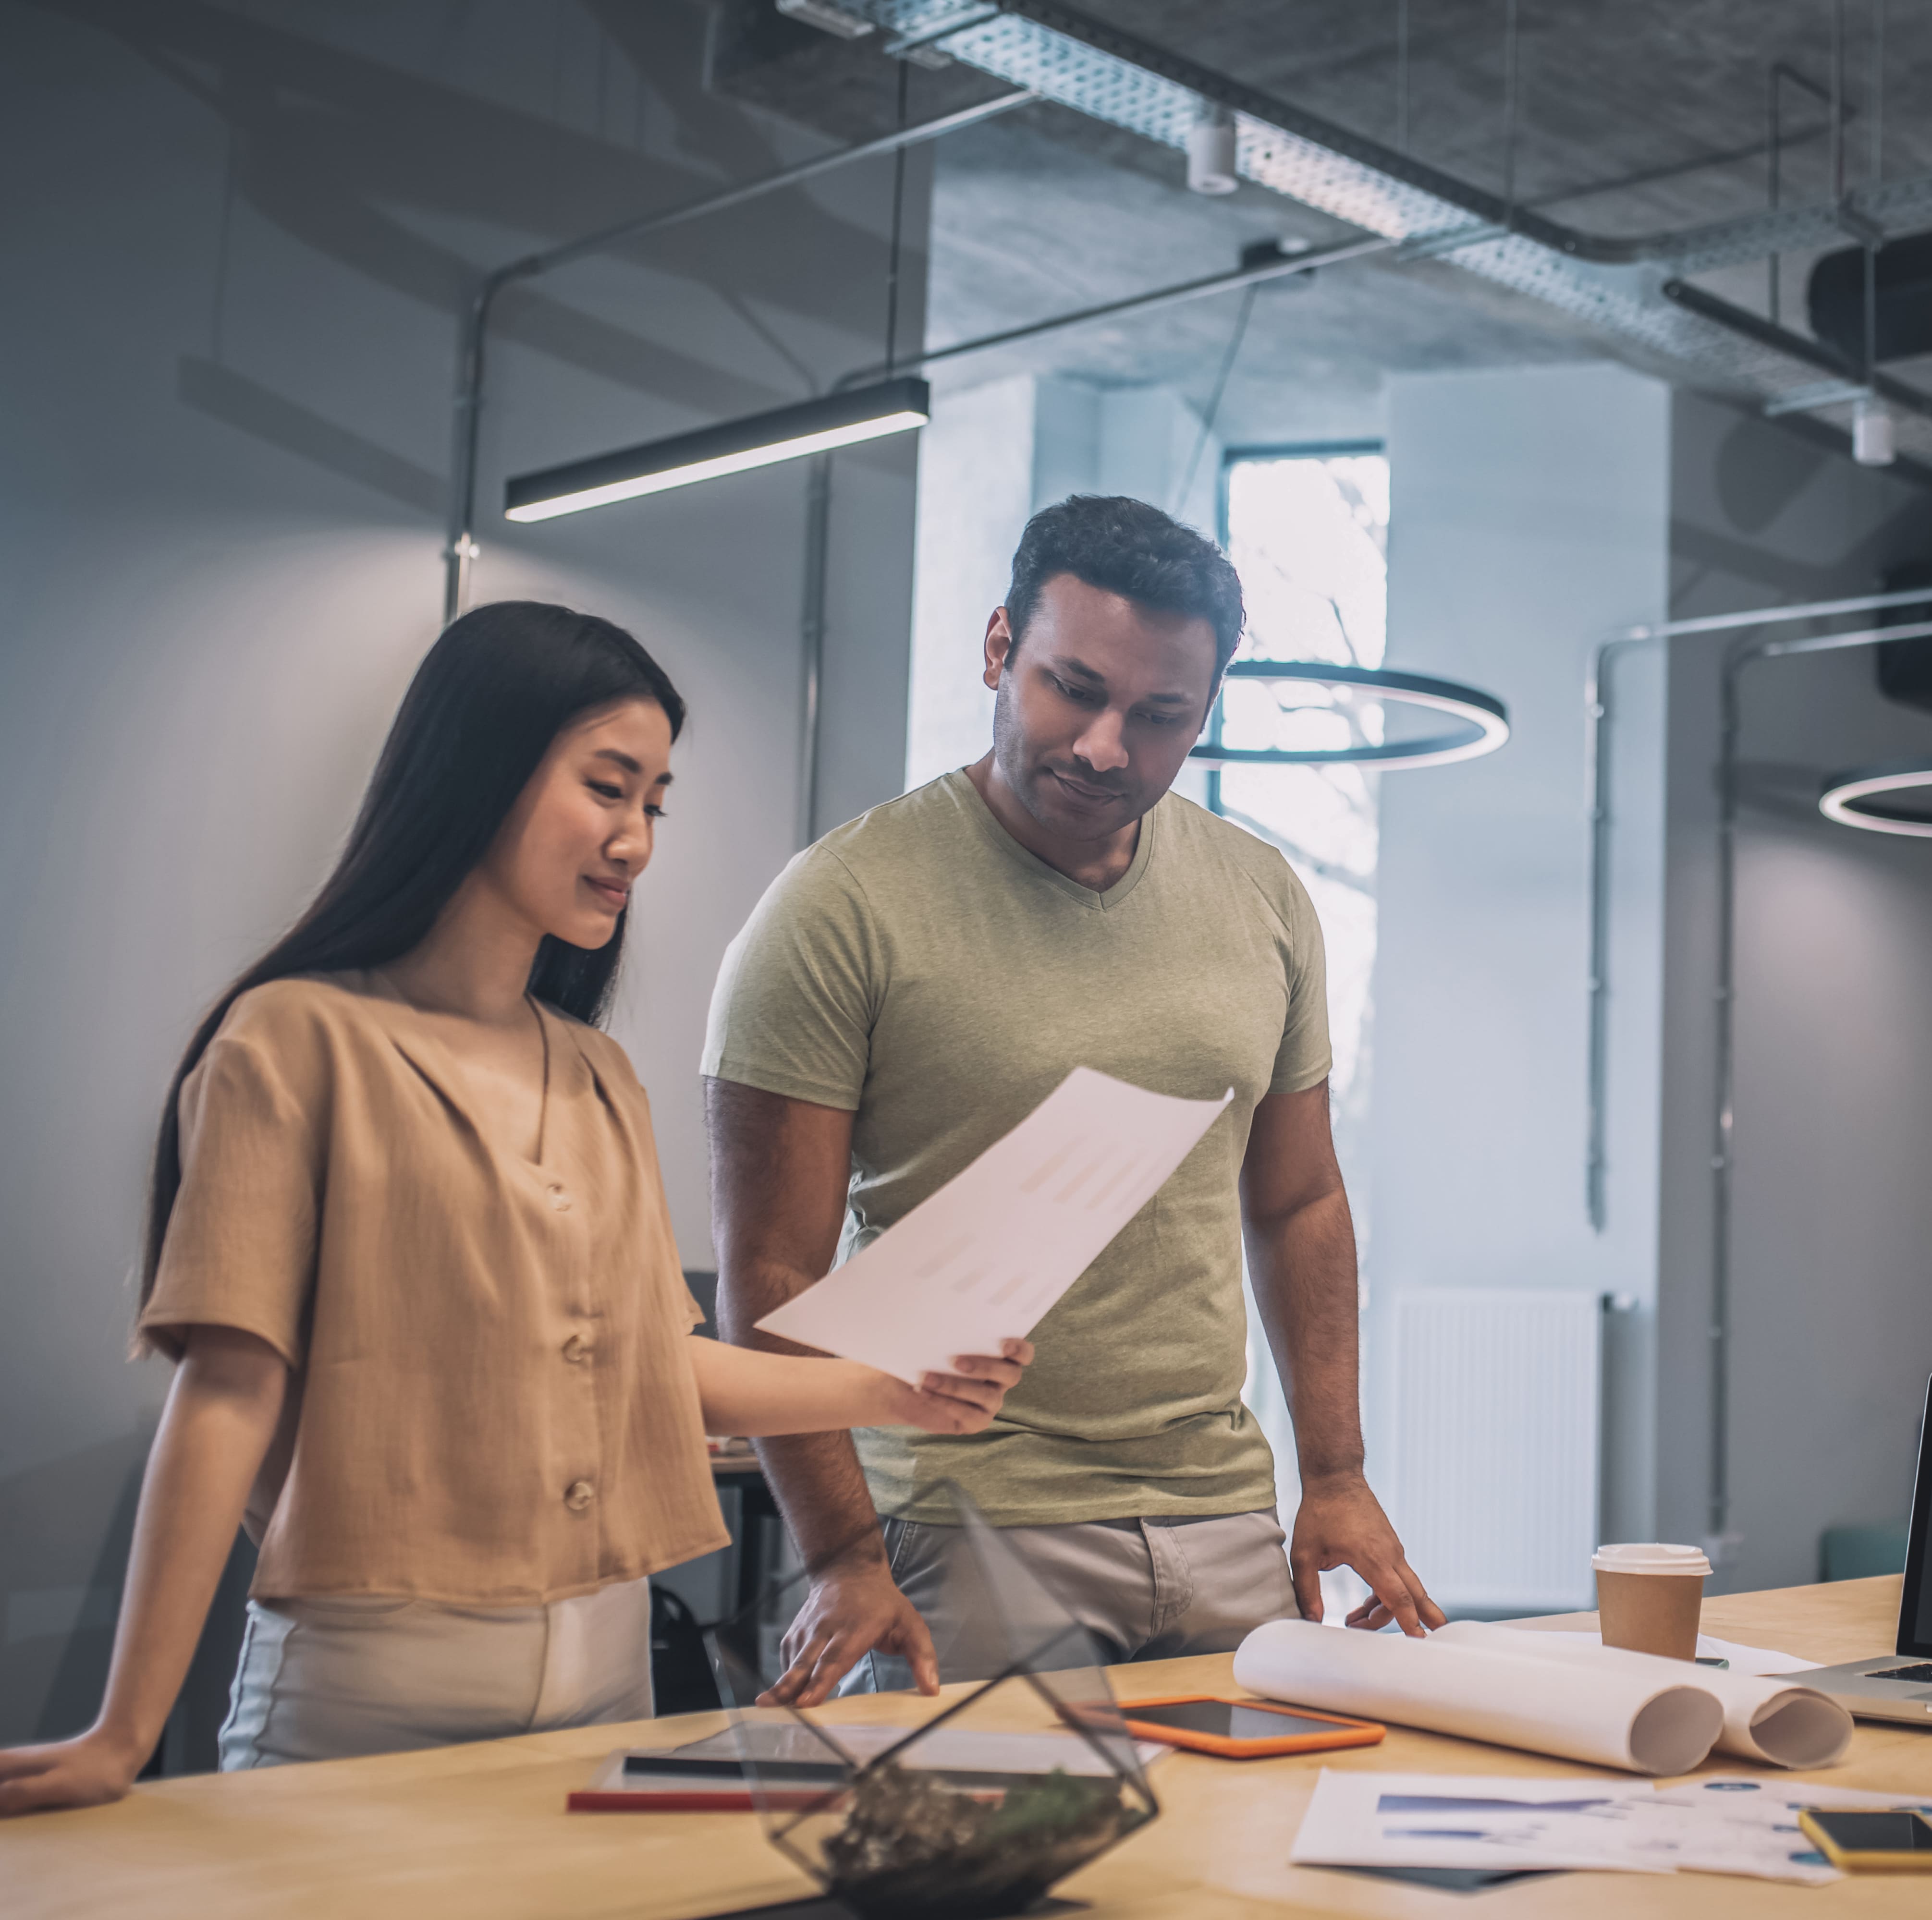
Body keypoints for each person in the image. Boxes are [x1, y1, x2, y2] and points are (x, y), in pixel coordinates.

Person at [0, 603, 1028, 1816]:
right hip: (363, 1694)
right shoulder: (291, 1041)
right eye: (608, 787)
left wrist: (896, 1390)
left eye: (654, 802)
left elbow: (662, 1368)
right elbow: (228, 1390)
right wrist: (125, 1730)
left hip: (604, 1685)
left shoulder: (598, 1074)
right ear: (480, 768)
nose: (636, 839)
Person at [706, 494, 1438, 1702]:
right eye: (1072, 688)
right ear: (998, 648)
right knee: (991, 1886)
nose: (1107, 745)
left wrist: (1340, 1475)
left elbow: (1299, 1199)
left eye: (1159, 716)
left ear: (1205, 714)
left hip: (1220, 1513)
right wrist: (839, 1552)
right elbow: (772, 1275)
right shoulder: (839, 907)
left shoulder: (1260, 897)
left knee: (1232, 1881)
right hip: (966, 1522)